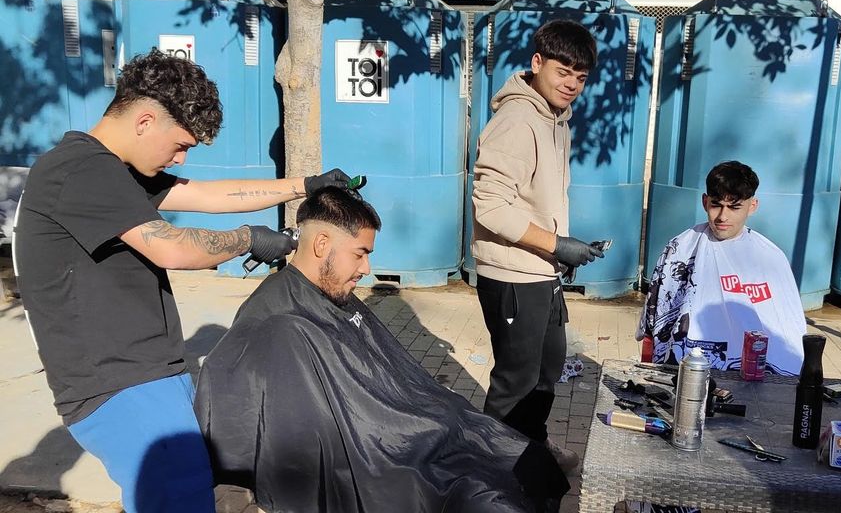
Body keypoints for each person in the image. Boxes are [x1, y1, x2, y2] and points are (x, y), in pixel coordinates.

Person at [13, 49, 354, 513]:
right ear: (145, 120)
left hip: (152, 372)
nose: (180, 158)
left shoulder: (116, 171)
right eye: (180, 145)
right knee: (180, 498)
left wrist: (305, 185)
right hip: (115, 383)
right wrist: (249, 239)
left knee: (199, 492)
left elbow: (208, 195)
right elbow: (170, 245)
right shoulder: (79, 168)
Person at [194, 187, 568, 513]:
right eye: (359, 253)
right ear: (322, 244)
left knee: (508, 450)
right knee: (479, 493)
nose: (367, 269)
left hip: (399, 428)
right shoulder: (275, 322)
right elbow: (254, 424)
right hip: (376, 452)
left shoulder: (332, 295)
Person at [471, 19, 607, 473]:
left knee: (547, 371)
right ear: (537, 63)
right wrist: (556, 243)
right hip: (512, 277)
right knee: (515, 382)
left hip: (541, 272)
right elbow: (489, 207)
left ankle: (534, 450)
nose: (571, 84)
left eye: (581, 77)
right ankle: (491, 474)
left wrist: (561, 250)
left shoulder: (554, 118)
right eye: (562, 70)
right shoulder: (516, 120)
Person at [636, 160, 806, 375]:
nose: (723, 217)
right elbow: (653, 325)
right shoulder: (680, 249)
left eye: (734, 207)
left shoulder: (771, 258)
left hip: (756, 376)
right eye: (716, 205)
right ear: (705, 202)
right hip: (685, 373)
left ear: (752, 206)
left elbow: (791, 328)